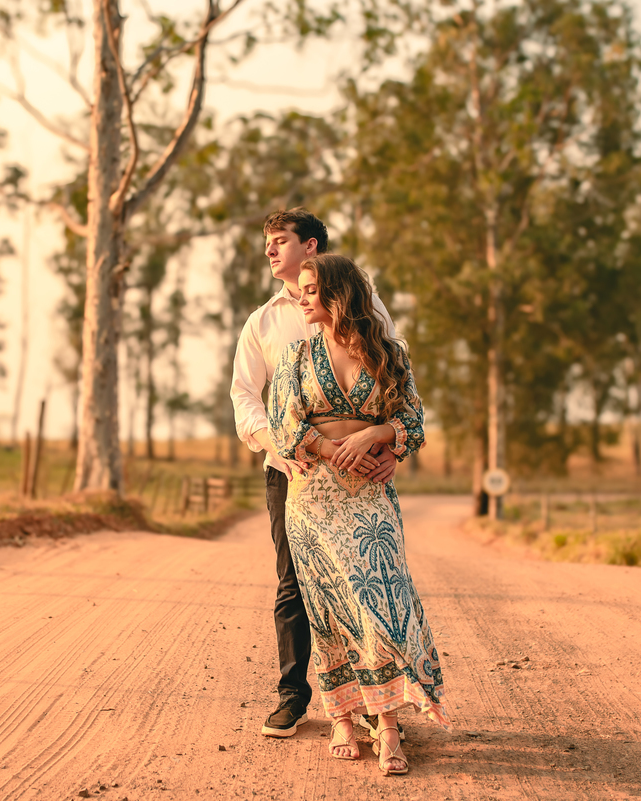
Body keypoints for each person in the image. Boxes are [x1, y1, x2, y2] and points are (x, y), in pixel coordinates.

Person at [268, 253, 451, 775]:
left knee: (383, 602)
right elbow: (285, 428)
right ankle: (344, 718)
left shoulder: (388, 354)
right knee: (330, 611)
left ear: (338, 295)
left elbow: (412, 421)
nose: (300, 298)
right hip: (314, 500)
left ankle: (389, 724)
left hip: (371, 498)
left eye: (309, 290)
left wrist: (377, 435)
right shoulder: (296, 358)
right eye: (300, 290)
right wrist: (331, 451)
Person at [230, 209, 400, 741]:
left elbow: (398, 375)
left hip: (361, 475)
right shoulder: (263, 321)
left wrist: (391, 443)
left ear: (310, 246)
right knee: (293, 584)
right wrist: (279, 450)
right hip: (292, 474)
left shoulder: (366, 305)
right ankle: (294, 696)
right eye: (266, 243)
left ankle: (376, 702)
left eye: (279, 241)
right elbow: (244, 397)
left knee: (365, 583)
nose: (269, 251)